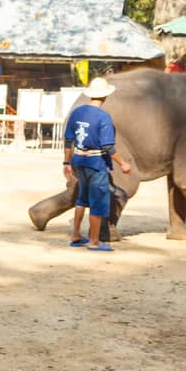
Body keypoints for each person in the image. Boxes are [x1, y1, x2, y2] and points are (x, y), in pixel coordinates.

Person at [63, 77, 131, 252]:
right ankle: (94, 241)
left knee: (81, 199)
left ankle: (76, 235)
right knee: (98, 202)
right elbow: (108, 146)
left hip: (78, 161)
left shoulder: (77, 112)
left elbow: (68, 139)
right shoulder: (104, 117)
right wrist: (123, 163)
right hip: (95, 163)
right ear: (106, 96)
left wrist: (66, 162)